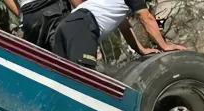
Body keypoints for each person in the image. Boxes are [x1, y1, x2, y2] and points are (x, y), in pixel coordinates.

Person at [51, 0, 186, 69]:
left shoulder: (114, 4)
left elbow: (124, 27)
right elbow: (146, 18)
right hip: (81, 28)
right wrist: (164, 45)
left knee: (62, 78)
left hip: (66, 26)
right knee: (82, 79)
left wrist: (140, 49)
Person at [4, 0, 80, 50]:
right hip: (52, 8)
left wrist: (22, 16)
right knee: (70, 53)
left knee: (38, 61)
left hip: (29, 15)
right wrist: (83, 11)